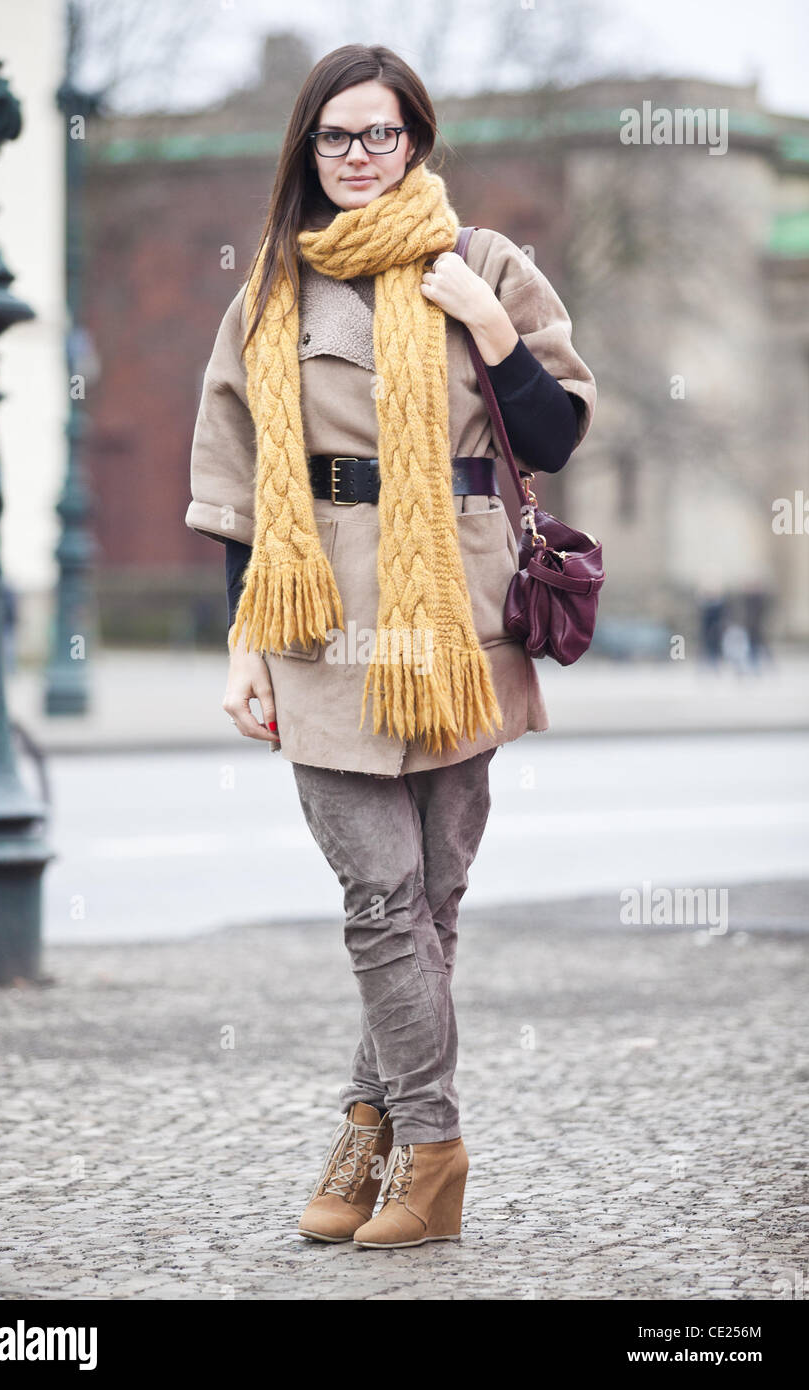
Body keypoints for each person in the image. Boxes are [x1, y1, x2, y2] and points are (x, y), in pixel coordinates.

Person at [186, 44, 596, 1249]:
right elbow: (236, 482)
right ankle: (433, 1149)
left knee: (434, 901)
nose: (360, 157)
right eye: (336, 137)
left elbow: (555, 434)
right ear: (305, 150)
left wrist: (489, 330)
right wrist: (242, 643)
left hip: (455, 619)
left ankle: (365, 1130)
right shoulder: (266, 291)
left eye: (381, 134)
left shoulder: (486, 266)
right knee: (381, 897)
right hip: (315, 618)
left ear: (414, 139)